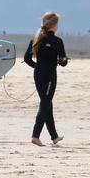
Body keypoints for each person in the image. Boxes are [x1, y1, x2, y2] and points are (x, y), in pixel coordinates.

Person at [23, 12, 68, 146]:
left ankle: (54, 136)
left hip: (38, 74)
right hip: (49, 76)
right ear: (54, 25)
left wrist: (38, 66)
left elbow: (26, 59)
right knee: (45, 104)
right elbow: (63, 61)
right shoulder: (57, 41)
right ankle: (35, 136)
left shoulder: (36, 38)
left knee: (47, 103)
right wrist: (62, 61)